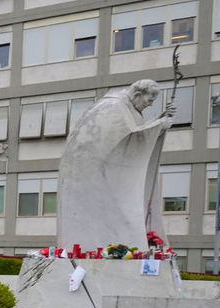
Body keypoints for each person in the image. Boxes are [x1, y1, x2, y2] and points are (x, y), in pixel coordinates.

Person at [55, 79, 176, 251]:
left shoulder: (129, 108)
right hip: (92, 180)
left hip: (104, 177)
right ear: (137, 94)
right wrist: (159, 125)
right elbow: (125, 141)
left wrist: (159, 121)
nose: (149, 105)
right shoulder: (113, 107)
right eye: (149, 100)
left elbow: (133, 135)